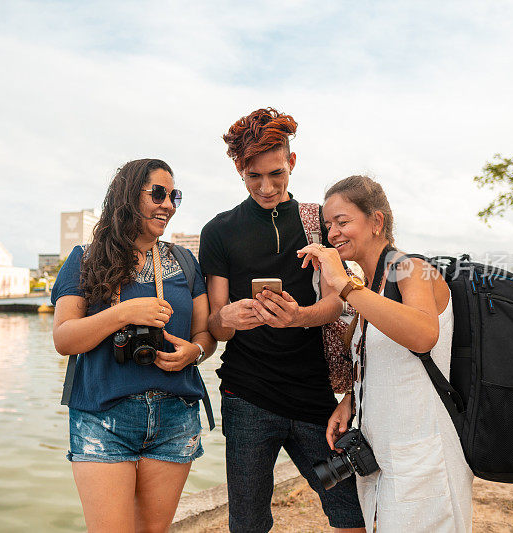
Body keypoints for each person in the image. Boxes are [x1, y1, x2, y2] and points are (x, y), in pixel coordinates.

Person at [198, 108, 365, 533]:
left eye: (276, 173)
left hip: (314, 396)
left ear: (292, 162)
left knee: (351, 510)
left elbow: (336, 304)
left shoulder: (317, 223)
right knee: (248, 523)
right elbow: (216, 327)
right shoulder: (218, 231)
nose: (267, 187)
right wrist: (230, 316)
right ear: (239, 170)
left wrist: (298, 317)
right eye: (253, 176)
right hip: (246, 396)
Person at [298, 175, 474, 532]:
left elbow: (424, 335)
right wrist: (349, 399)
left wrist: (344, 285)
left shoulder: (412, 268)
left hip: (424, 458)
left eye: (343, 222)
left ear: (377, 221)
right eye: (328, 225)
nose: (332, 234)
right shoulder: (372, 287)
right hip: (385, 458)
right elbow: (384, 359)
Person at [52, 158, 216, 533]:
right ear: (128, 196)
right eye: (157, 193)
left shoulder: (185, 261)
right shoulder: (85, 259)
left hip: (175, 416)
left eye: (174, 196)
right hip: (102, 416)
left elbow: (204, 335)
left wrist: (195, 352)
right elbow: (64, 339)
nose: (169, 205)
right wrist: (124, 313)